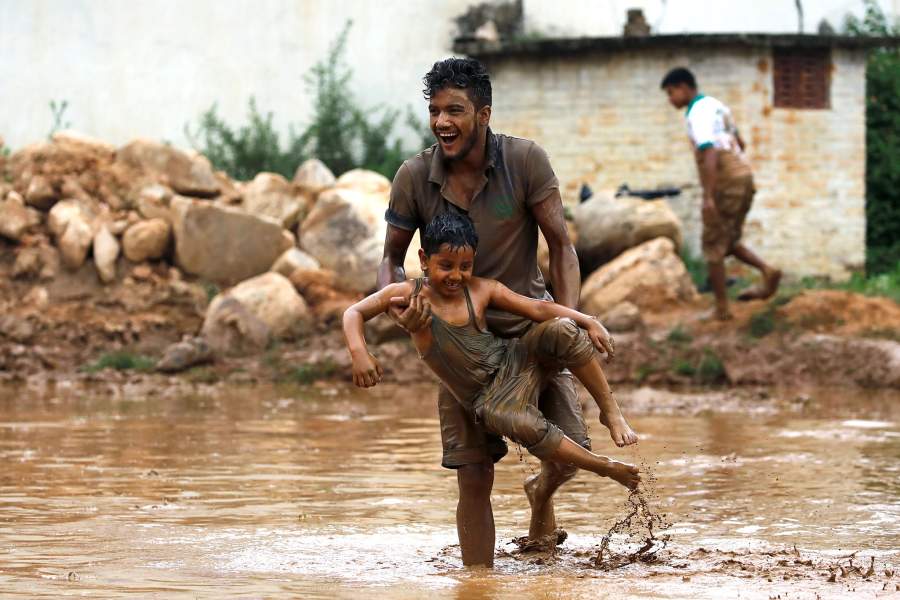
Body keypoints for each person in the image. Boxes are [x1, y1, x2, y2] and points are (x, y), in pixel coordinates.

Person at [375, 57, 633, 567]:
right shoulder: (413, 176)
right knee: (474, 476)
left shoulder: (526, 161)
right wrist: (397, 304)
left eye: (455, 110)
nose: (442, 122)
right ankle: (479, 584)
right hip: (459, 353)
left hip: (527, 335)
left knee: (568, 452)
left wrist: (566, 319)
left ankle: (541, 495)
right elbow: (389, 257)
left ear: (484, 114)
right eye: (434, 111)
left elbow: (562, 245)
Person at [344, 212, 640, 499]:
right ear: (423, 260)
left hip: (515, 361)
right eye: (446, 265)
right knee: (512, 418)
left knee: (562, 328)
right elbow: (354, 312)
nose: (456, 275)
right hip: (489, 398)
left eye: (465, 266)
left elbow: (538, 308)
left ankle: (610, 411)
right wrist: (360, 353)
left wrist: (587, 319)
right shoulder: (408, 294)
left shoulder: (481, 290)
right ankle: (605, 467)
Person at [661, 67, 781, 320]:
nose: (670, 99)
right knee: (728, 240)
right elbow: (741, 143)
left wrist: (708, 195)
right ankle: (768, 271)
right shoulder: (717, 106)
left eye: (671, 92)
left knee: (712, 245)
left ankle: (722, 310)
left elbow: (710, 151)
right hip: (744, 176)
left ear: (683, 87)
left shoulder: (697, 113)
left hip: (726, 179)